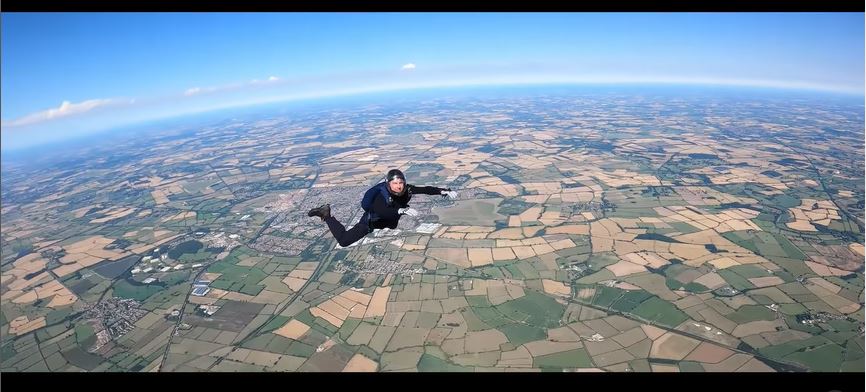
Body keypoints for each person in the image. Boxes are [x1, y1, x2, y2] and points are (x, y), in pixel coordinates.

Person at [308, 169, 457, 247]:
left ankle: (394, 218)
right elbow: (381, 210)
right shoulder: (382, 195)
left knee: (392, 224)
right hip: (371, 221)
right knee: (344, 241)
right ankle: (326, 214)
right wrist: (401, 210)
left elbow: (426, 189)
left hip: (389, 219)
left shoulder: (407, 189)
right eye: (395, 184)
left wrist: (442, 191)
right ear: (388, 184)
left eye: (401, 183)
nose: (399, 186)